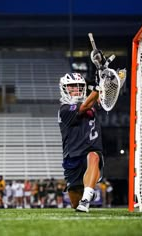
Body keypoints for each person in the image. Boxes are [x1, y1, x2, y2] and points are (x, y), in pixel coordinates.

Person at [58, 71, 104, 213]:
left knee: (94, 157)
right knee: (74, 202)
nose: (76, 89)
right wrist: (98, 88)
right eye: (72, 86)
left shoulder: (91, 102)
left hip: (91, 149)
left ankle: (87, 197)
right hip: (72, 156)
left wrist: (104, 81)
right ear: (65, 88)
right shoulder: (64, 109)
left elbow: (101, 99)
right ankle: (86, 192)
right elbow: (84, 107)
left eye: (79, 86)